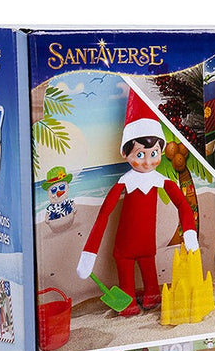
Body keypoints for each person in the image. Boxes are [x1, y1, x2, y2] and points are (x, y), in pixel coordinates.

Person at [77, 88, 199, 316]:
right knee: (128, 277)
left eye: (154, 153)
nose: (147, 162)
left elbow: (183, 205)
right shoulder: (124, 182)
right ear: (125, 153)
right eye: (140, 154)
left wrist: (189, 233)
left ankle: (150, 295)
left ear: (161, 150)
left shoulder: (161, 181)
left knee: (149, 275)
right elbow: (103, 215)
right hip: (126, 247)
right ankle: (130, 302)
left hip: (144, 246)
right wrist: (89, 254)